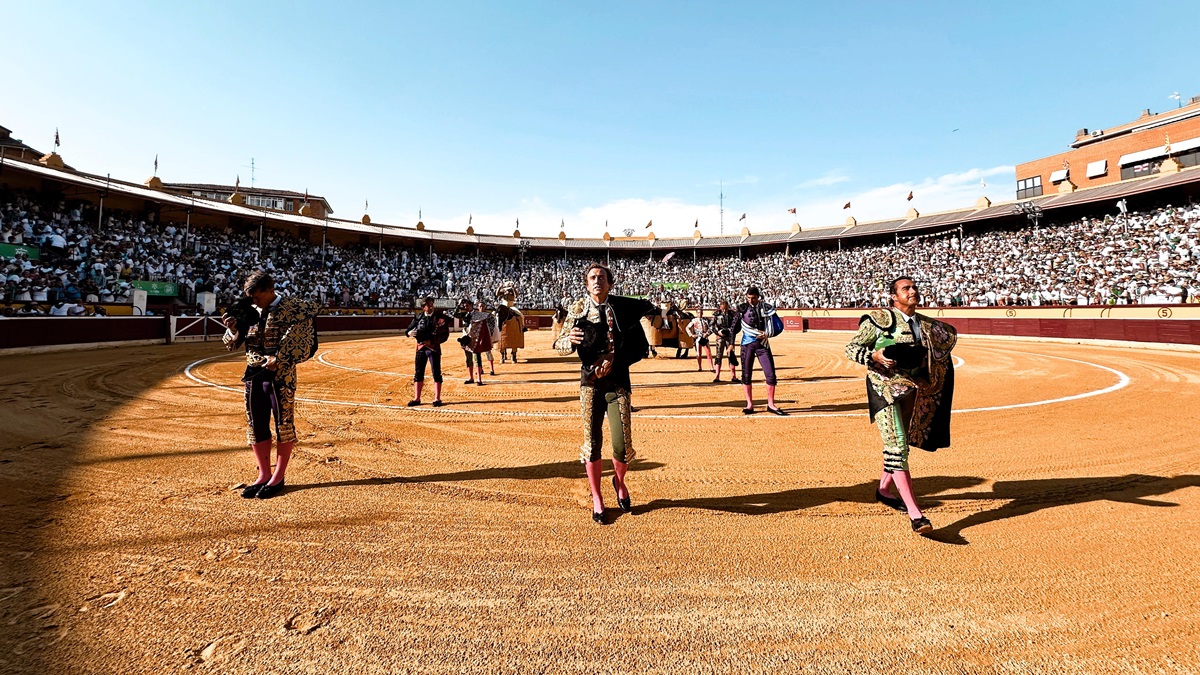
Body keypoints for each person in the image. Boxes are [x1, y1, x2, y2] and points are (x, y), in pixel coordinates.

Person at [844, 276, 957, 535]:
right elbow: (851, 348)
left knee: (900, 443)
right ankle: (916, 516)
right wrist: (872, 355)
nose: (913, 291)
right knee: (896, 445)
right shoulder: (880, 320)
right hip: (883, 389)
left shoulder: (926, 326)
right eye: (906, 288)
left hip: (912, 390)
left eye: (914, 287)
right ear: (893, 296)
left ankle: (884, 490)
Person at [554, 262, 656, 524]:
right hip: (590, 384)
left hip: (618, 382)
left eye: (601, 277)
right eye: (592, 277)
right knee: (592, 444)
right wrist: (571, 340)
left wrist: (616, 359)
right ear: (586, 283)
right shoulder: (577, 309)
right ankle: (597, 498)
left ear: (609, 283)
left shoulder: (622, 308)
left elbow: (640, 348)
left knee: (623, 446)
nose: (597, 281)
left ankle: (619, 482)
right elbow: (559, 345)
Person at [222, 270, 320, 500]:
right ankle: (264, 473)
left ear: (269, 291)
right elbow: (232, 343)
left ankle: (279, 476)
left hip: (282, 375)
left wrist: (282, 358)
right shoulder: (251, 310)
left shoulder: (294, 308)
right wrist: (234, 329)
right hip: (254, 373)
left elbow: (305, 340)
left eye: (257, 297)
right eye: (251, 297)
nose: (254, 302)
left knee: (283, 424)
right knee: (256, 424)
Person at [737, 286, 786, 415]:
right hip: (747, 345)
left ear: (758, 297)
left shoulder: (767, 308)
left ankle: (770, 404)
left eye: (753, 298)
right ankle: (749, 405)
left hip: (762, 344)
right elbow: (735, 326)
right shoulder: (742, 308)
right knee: (746, 375)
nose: (750, 301)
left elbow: (779, 326)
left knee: (770, 374)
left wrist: (768, 333)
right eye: (748, 298)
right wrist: (730, 343)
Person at [406, 296, 450, 407]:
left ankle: (437, 398)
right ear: (423, 307)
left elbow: (445, 335)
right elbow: (407, 331)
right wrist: (409, 333)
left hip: (433, 348)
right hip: (421, 348)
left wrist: (432, 341)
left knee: (436, 372)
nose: (430, 306)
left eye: (431, 304)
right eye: (428, 305)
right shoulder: (418, 317)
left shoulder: (440, 317)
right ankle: (417, 398)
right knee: (418, 372)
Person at [709, 299, 740, 383]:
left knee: (731, 356)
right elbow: (711, 326)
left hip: (730, 337)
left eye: (725, 309)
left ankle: (734, 376)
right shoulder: (717, 314)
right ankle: (717, 376)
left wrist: (732, 332)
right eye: (723, 309)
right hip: (720, 337)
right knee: (718, 356)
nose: (724, 310)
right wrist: (717, 332)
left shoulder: (733, 314)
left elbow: (738, 326)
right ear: (720, 307)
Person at [685, 308, 715, 373]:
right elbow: (687, 328)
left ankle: (711, 367)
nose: (700, 314)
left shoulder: (706, 320)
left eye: (701, 312)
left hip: (705, 338)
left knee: (708, 353)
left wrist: (707, 334)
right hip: (698, 338)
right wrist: (692, 335)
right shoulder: (694, 320)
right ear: (696, 313)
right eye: (698, 313)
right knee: (698, 353)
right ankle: (699, 367)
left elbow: (712, 328)